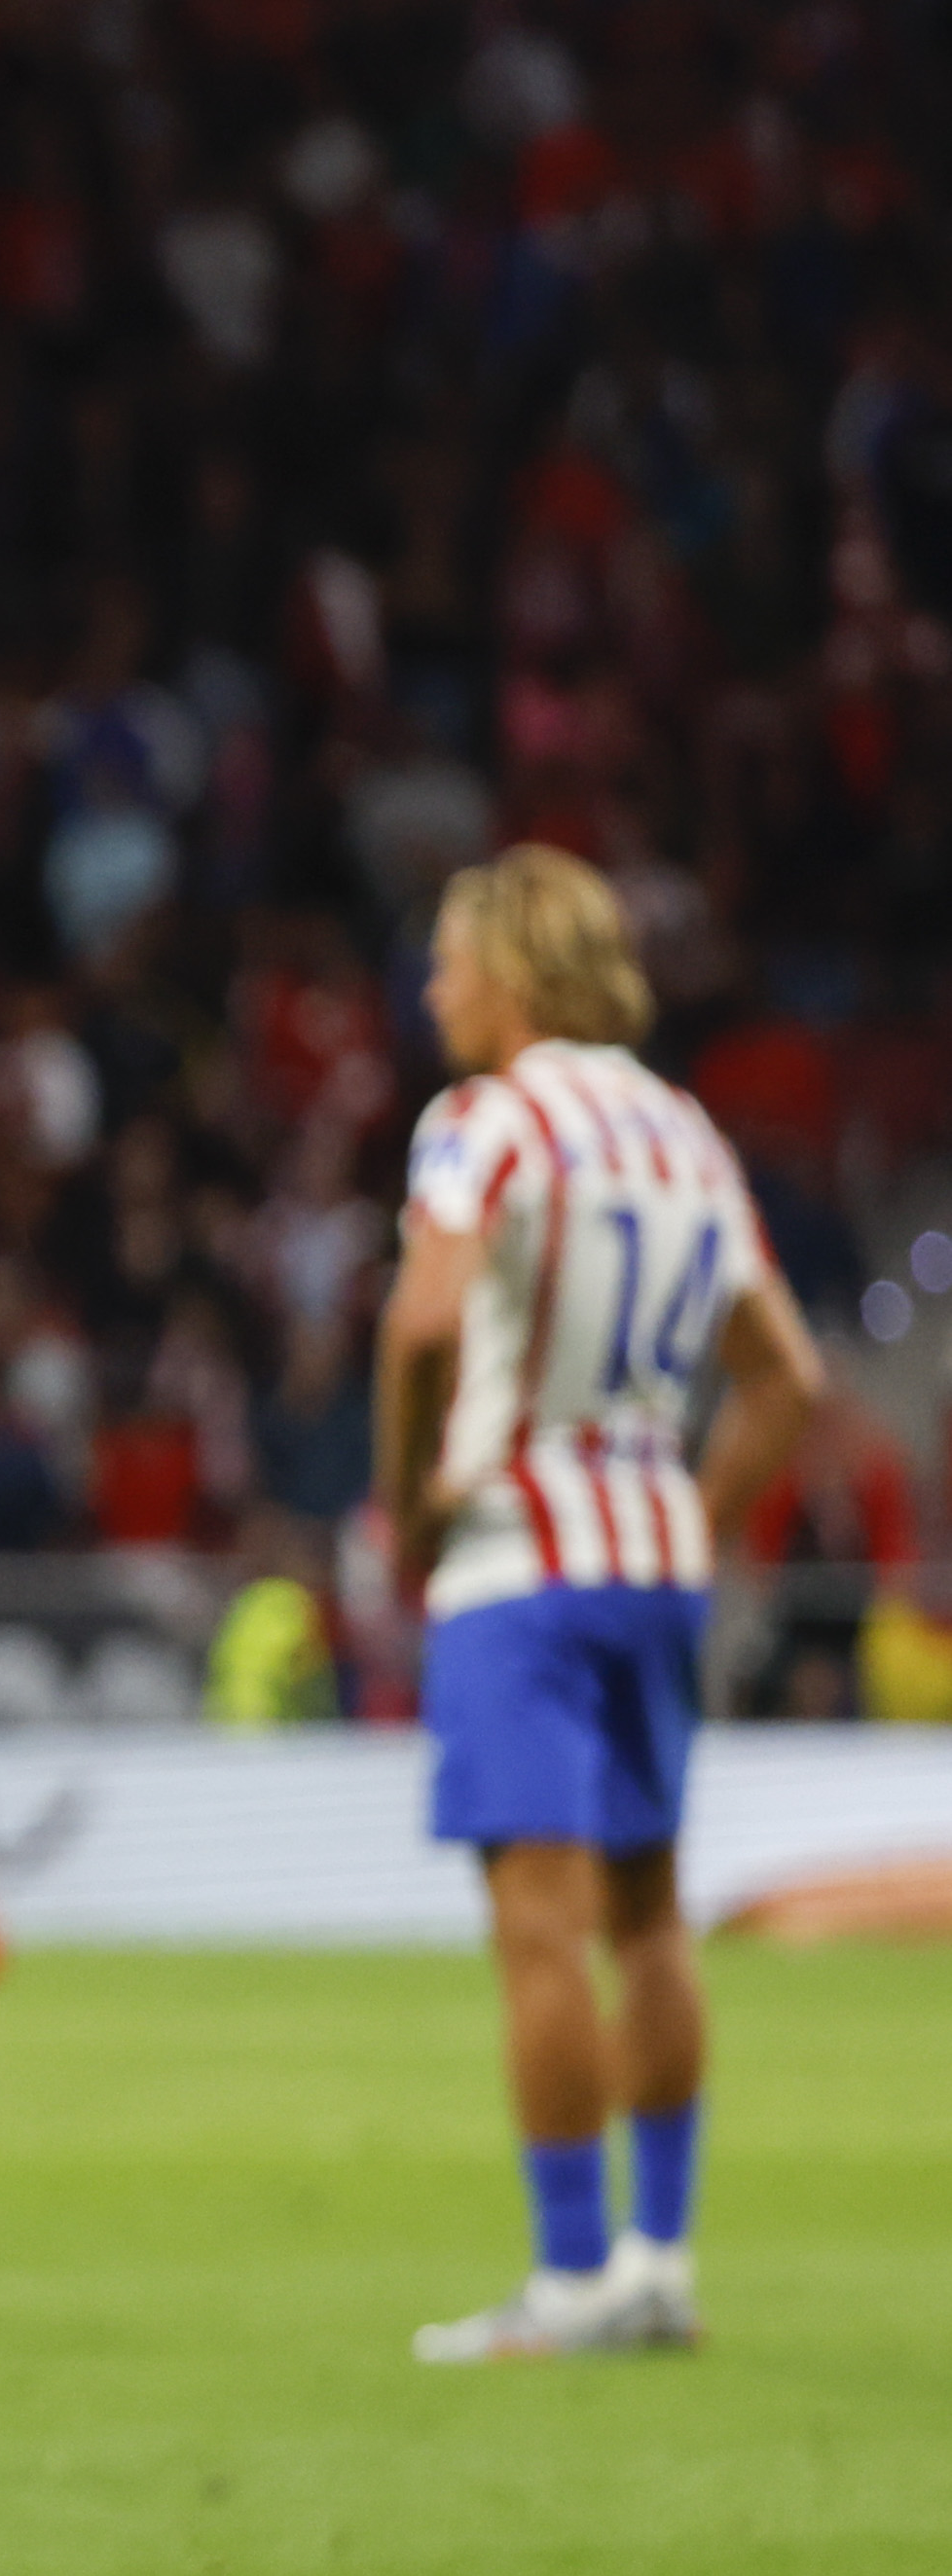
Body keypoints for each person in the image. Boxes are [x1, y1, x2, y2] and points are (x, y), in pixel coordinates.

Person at [377, 847, 817, 2365]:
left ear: (512, 970)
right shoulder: (683, 1131)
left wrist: (405, 1502)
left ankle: (569, 2276)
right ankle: (661, 2263)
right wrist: (692, 1519)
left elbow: (424, 1320)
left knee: (538, 1932)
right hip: (651, 1566)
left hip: (519, 1563)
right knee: (650, 1918)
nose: (433, 990)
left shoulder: (483, 1122)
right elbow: (785, 1377)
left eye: (450, 961)